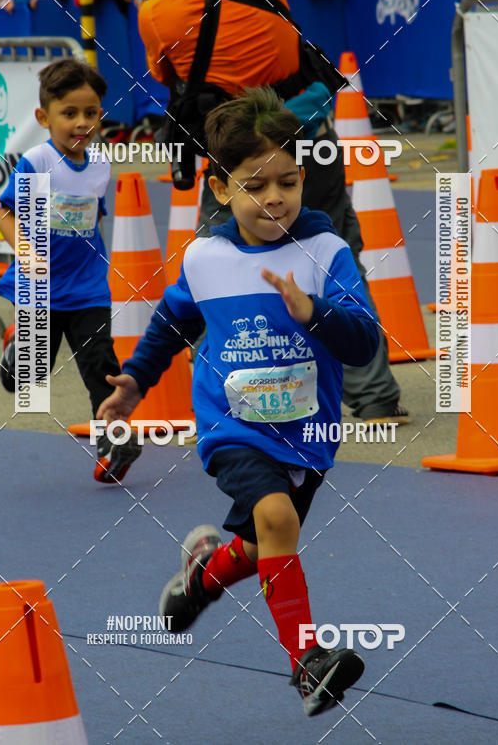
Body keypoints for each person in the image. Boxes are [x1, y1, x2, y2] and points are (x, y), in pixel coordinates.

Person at [98, 87, 377, 715]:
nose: (274, 197)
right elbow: (173, 322)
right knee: (277, 521)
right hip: (232, 428)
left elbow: (363, 344)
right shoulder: (206, 256)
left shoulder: (326, 253)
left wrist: (316, 313)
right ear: (221, 190)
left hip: (307, 434)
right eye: (255, 185)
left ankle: (204, 576)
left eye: (287, 181)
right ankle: (308, 664)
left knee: (260, 546)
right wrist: (136, 381)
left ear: (304, 179)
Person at [132, 0, 407, 425]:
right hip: (301, 130)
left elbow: (169, 77)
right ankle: (375, 397)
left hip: (232, 151)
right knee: (336, 254)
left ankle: (236, 389)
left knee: (215, 264)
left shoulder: (156, 14)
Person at [0, 58, 141, 485]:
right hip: (42, 287)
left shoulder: (99, 165)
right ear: (44, 117)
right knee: (28, 380)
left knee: (100, 365)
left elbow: (94, 218)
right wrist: (24, 248)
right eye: (70, 113)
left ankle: (115, 443)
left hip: (88, 287)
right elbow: (6, 211)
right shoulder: (39, 162)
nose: (82, 123)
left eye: (91, 113)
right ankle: (16, 346)